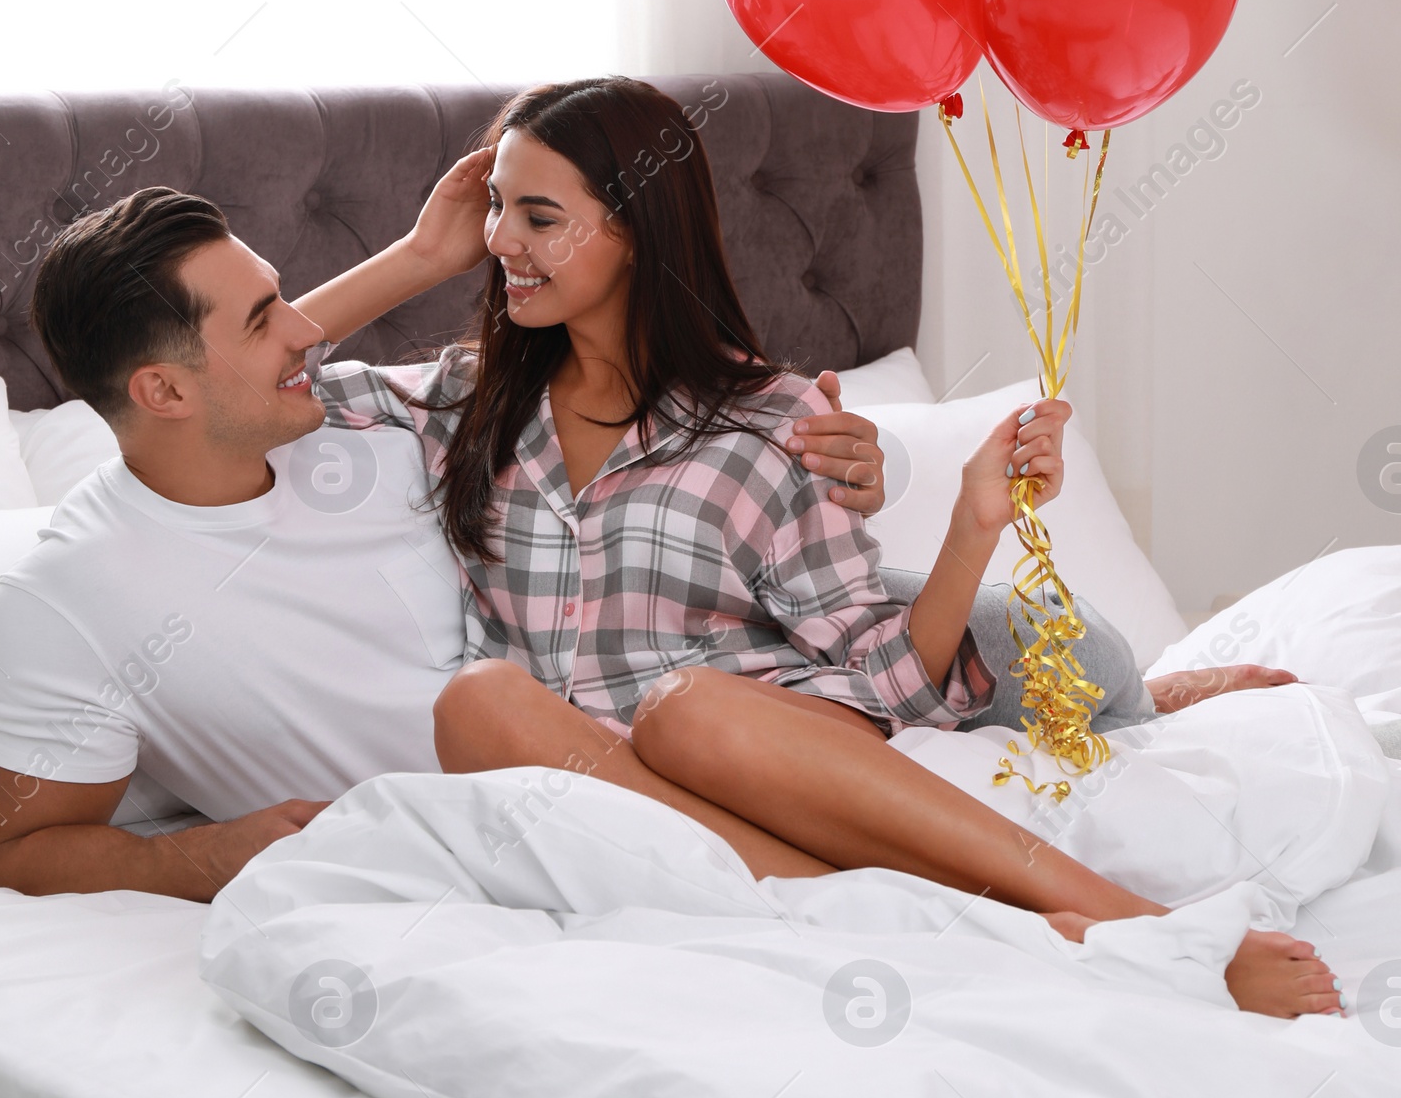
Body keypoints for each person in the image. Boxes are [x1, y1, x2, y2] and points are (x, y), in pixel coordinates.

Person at [319, 77, 1336, 1021]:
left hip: (746, 760)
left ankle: (1126, 921)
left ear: (636, 231)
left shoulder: (768, 422)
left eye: (538, 217)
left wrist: (971, 526)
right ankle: (996, 932)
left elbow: (890, 683)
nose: (501, 239)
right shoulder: (464, 398)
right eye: (495, 207)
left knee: (688, 706)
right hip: (590, 794)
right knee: (476, 699)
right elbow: (259, 377)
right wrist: (418, 255)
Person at [0, 170, 882, 900]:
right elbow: (18, 852)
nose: (306, 334)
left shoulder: (367, 439)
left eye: (284, 298)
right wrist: (197, 857)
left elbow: (626, 416)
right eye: (264, 320)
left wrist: (801, 435)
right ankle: (852, 904)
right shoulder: (66, 600)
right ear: (161, 393)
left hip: (659, 761)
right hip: (487, 863)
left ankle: (872, 897)